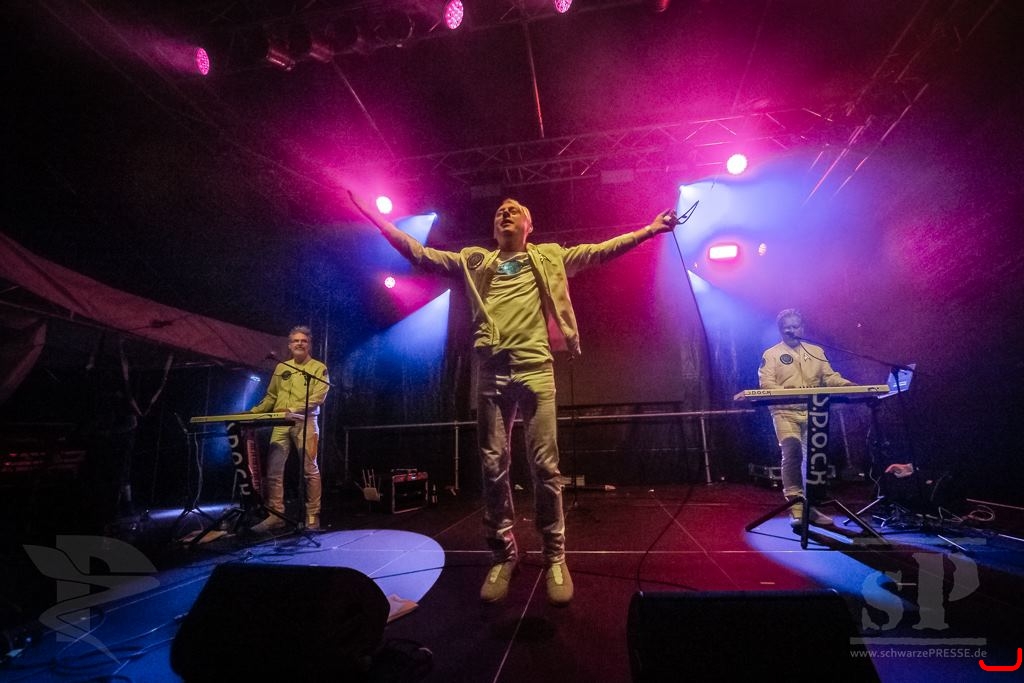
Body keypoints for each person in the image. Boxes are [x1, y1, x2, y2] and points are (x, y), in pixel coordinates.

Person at [349, 192, 679, 606]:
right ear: (494, 229)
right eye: (500, 211)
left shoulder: (550, 257)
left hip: (536, 369)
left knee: (545, 466)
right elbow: (422, 254)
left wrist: (649, 230)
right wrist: (380, 223)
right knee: (493, 466)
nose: (506, 212)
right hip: (491, 372)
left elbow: (599, 251)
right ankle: (504, 555)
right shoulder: (475, 261)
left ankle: (555, 556)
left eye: (515, 210)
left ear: (529, 226)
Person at [758, 308, 855, 527]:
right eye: (787, 328)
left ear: (802, 328)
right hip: (785, 412)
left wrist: (849, 385)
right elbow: (766, 384)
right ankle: (796, 509)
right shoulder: (771, 354)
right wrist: (789, 393)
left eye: (795, 326)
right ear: (781, 330)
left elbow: (830, 377)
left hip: (813, 411)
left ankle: (810, 508)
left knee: (812, 460)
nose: (791, 330)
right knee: (792, 452)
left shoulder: (816, 351)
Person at [248, 326, 330, 532]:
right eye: (296, 341)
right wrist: (253, 412)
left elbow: (319, 397)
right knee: (274, 471)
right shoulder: (281, 368)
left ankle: (312, 515)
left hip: (306, 422)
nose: (299, 343)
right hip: (281, 423)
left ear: (309, 344)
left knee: (309, 470)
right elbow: (271, 396)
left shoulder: (318, 368)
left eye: (303, 340)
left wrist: (292, 409)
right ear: (290, 345)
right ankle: (275, 515)